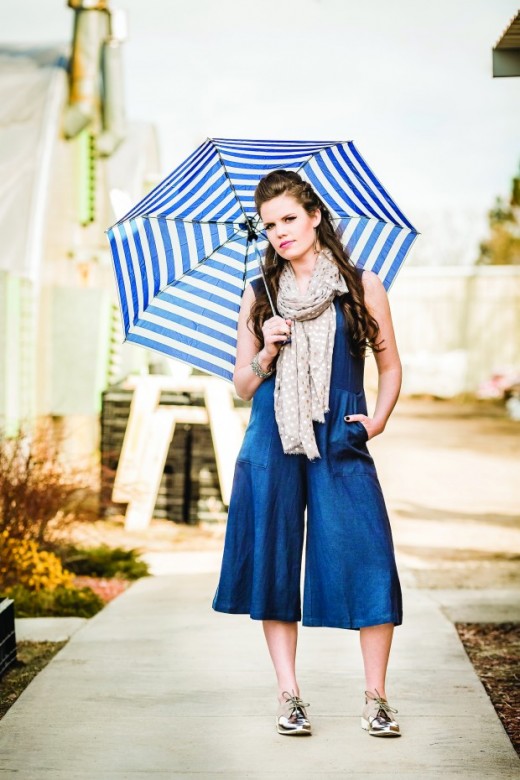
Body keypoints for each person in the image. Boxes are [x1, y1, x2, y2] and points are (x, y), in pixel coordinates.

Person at [212, 169, 403, 739]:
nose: (279, 232)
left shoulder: (362, 285)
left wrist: (379, 418)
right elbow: (241, 385)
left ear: (315, 216)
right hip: (273, 435)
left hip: (340, 431)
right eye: (269, 225)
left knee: (368, 552)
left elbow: (389, 363)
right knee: (274, 558)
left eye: (289, 219)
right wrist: (267, 347)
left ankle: (377, 697)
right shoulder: (257, 295)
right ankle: (289, 694)